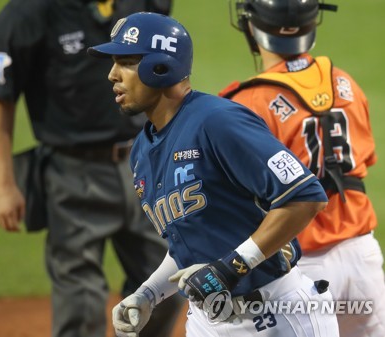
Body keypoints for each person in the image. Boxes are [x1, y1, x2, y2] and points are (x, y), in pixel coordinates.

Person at [88, 11, 340, 337]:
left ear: (159, 67)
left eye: (125, 62)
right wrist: (147, 294)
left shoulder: (217, 121)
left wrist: (230, 268)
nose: (112, 75)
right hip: (208, 322)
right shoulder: (142, 152)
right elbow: (188, 243)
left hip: (277, 314)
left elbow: (305, 197)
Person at [0, 1, 184, 337]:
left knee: (166, 286)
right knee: (81, 304)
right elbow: (2, 99)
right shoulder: (27, 13)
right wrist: (4, 186)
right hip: (72, 173)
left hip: (145, 163)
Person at [219, 1, 385, 336]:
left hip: (299, 268)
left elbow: (236, 199)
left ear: (251, 27)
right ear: (313, 24)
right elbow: (363, 162)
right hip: (362, 259)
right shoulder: (346, 84)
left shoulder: (246, 103)